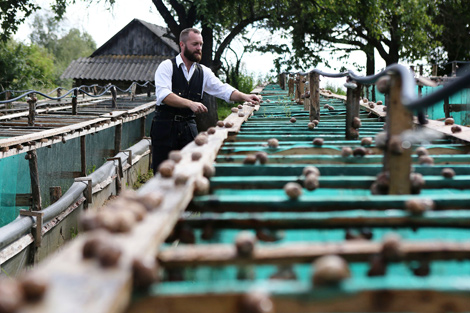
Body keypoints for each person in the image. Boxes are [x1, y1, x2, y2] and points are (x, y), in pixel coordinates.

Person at [151, 27, 260, 173]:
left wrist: (244, 96)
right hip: (165, 128)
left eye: (201, 44)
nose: (199, 48)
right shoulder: (167, 66)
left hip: (188, 127)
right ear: (182, 45)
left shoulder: (203, 72)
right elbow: (164, 95)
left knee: (191, 168)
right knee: (162, 172)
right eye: (195, 44)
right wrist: (190, 103)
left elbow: (223, 89)